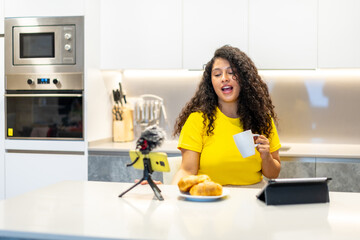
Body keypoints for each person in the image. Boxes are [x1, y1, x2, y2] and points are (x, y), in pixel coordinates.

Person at [171, 45, 281, 186]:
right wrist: (170, 195)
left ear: (244, 79)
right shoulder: (198, 120)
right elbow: (186, 171)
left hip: (252, 199)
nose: (224, 78)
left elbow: (273, 173)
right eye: (217, 74)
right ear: (211, 82)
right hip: (210, 197)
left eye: (231, 73)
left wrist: (266, 157)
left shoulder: (262, 120)